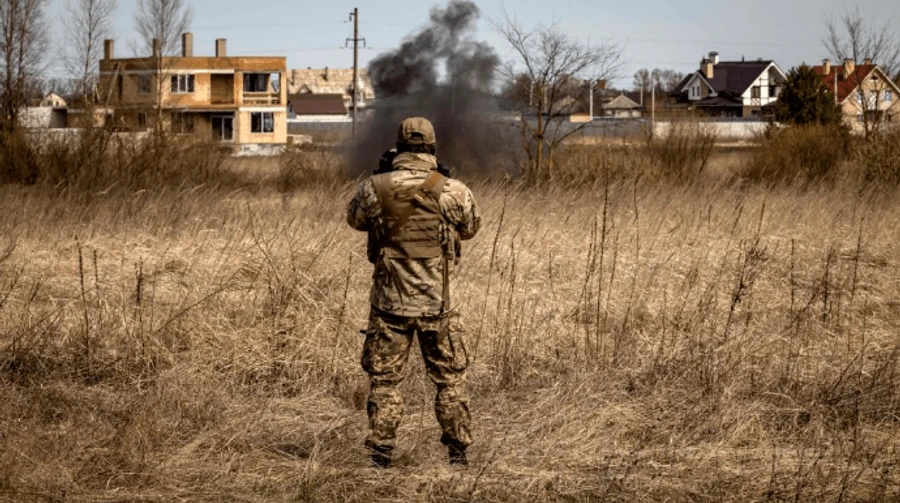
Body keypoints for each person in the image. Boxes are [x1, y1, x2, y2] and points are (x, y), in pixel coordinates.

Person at [346, 117, 481, 468]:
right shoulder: (453, 189)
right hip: (439, 305)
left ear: (399, 147)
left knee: (385, 382)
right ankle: (458, 453)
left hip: (390, 306)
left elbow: (356, 220)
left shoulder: (374, 187)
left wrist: (381, 174)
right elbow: (469, 229)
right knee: (450, 381)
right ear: (432, 148)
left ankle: (380, 455)